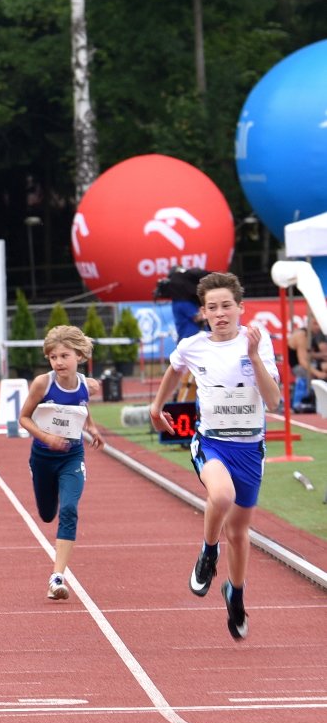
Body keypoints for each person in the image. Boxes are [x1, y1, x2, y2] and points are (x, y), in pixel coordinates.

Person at [151, 272, 280, 640]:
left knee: (239, 533)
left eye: (226, 306)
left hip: (250, 448)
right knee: (221, 495)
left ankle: (235, 595)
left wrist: (254, 357)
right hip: (212, 442)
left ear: (240, 308)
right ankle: (208, 553)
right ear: (203, 313)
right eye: (212, 308)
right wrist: (157, 407)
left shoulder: (257, 341)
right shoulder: (194, 346)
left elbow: (273, 401)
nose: (220, 313)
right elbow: (174, 370)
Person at [18, 326, 106, 600]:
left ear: (79, 356)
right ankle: (46, 487)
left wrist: (92, 428)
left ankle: (57, 576)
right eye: (53, 357)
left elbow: (81, 408)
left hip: (72, 455)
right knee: (47, 514)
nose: (58, 362)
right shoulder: (42, 384)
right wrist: (47, 437)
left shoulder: (86, 385)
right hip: (43, 457)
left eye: (64, 356)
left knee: (69, 509)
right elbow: (24, 418)